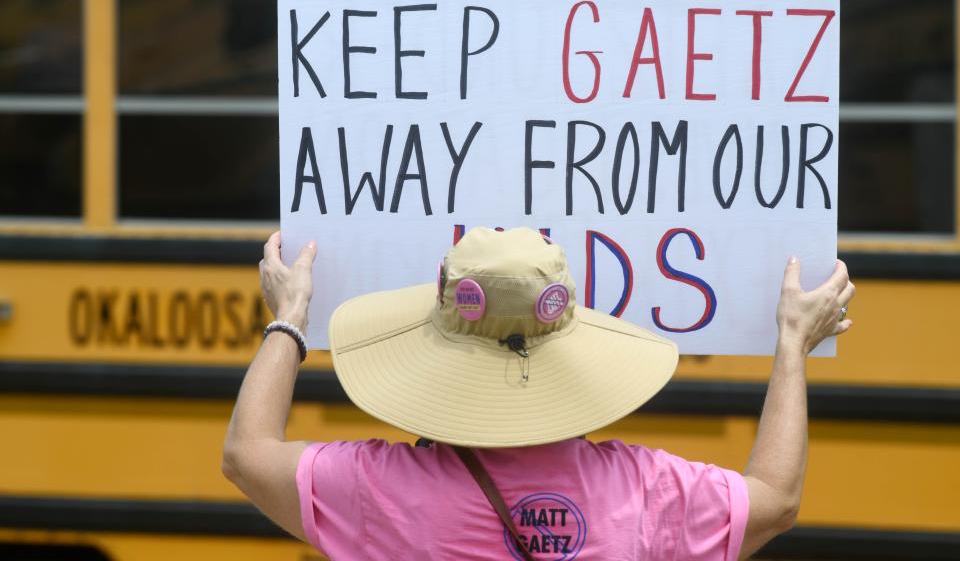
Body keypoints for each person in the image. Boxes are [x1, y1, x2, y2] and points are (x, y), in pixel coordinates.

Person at [222, 227, 854, 560]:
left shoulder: (382, 489)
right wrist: (792, 346)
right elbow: (776, 501)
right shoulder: (641, 491)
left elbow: (247, 455)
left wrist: (291, 316)